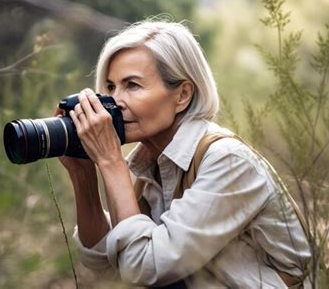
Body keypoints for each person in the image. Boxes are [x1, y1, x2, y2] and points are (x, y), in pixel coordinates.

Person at [55, 20, 311, 288]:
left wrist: (110, 161)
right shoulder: (151, 169)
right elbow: (105, 267)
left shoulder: (228, 161)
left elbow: (145, 267)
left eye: (132, 85)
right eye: (110, 87)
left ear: (182, 95)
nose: (115, 102)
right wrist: (83, 175)